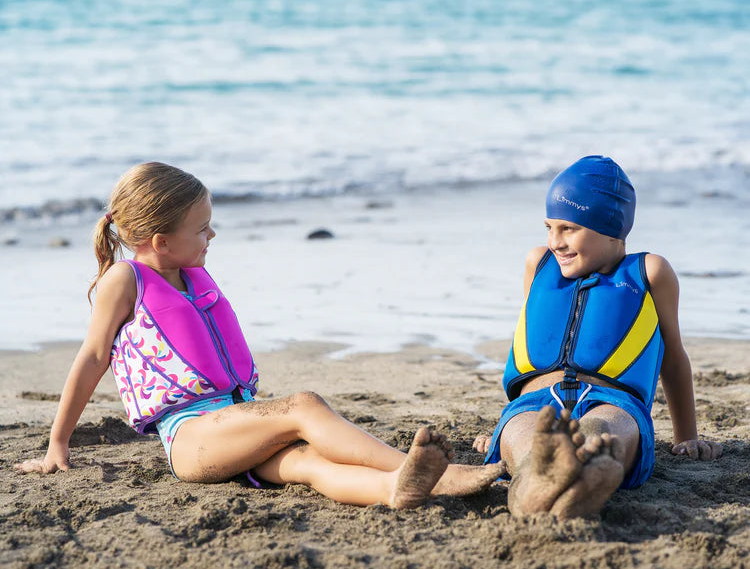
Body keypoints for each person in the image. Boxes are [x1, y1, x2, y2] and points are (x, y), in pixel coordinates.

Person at [15, 162, 502, 508]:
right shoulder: (126, 281)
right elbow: (92, 357)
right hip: (191, 438)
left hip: (233, 424)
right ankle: (430, 473)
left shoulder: (190, 276)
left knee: (306, 464)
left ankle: (394, 489)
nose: (211, 237)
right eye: (202, 229)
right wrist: (58, 445)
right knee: (305, 405)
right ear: (161, 242)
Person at [473, 155, 722, 520]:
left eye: (569, 229)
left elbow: (672, 358)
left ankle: (590, 466)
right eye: (549, 227)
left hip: (613, 400)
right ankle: (550, 479)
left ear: (612, 228)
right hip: (537, 402)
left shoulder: (649, 272)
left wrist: (686, 436)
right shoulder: (538, 263)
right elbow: (533, 337)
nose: (555, 241)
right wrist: (502, 427)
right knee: (526, 437)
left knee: (606, 431)